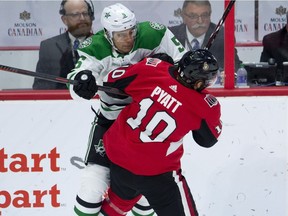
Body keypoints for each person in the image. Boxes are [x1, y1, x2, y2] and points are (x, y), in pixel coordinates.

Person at [68, 3, 187, 216]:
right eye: (120, 34)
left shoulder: (154, 34)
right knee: (91, 187)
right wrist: (81, 84)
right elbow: (76, 82)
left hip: (146, 125)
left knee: (144, 196)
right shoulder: (94, 47)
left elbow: (185, 65)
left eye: (131, 32)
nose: (128, 38)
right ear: (107, 34)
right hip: (111, 121)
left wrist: (172, 69)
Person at [93, 50, 222, 216]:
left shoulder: (151, 69)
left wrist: (160, 67)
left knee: (117, 205)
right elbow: (207, 141)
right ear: (198, 83)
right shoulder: (205, 106)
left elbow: (111, 80)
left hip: (119, 159)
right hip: (157, 175)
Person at [32, 0, 94, 89]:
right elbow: (40, 86)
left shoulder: (104, 44)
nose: (82, 18)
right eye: (75, 14)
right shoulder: (49, 46)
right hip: (59, 101)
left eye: (85, 13)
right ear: (64, 20)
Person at [169, 0, 242, 71]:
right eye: (193, 16)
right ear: (183, 17)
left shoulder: (222, 35)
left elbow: (235, 65)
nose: (200, 21)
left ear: (210, 15)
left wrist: (226, 73)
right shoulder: (171, 35)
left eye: (204, 15)